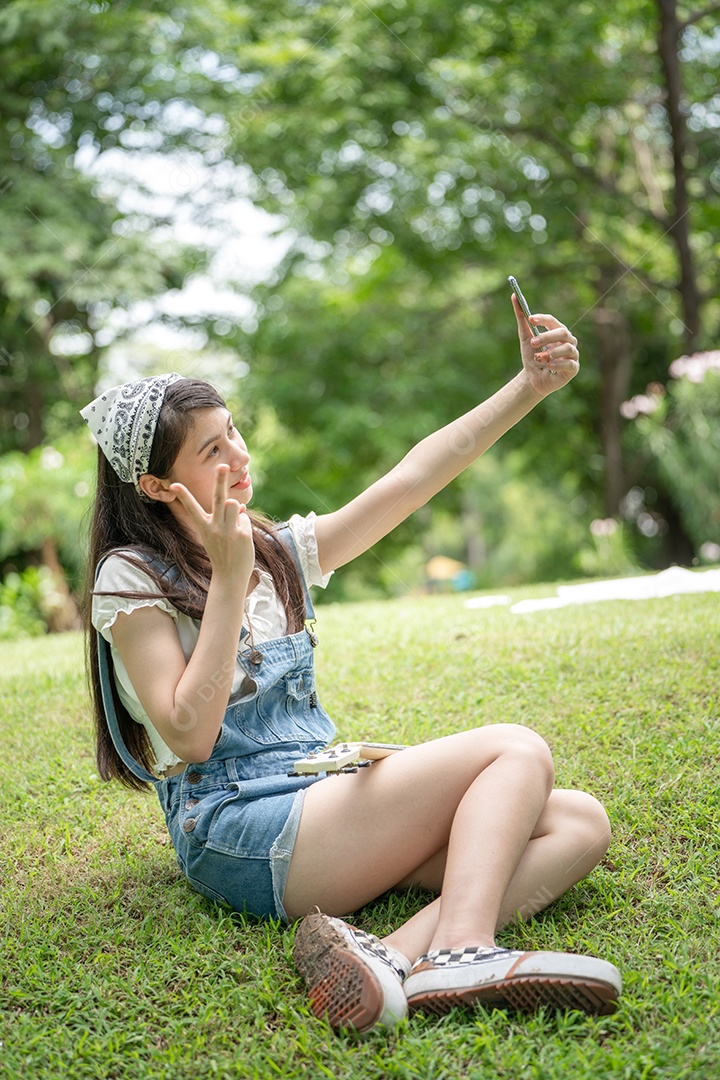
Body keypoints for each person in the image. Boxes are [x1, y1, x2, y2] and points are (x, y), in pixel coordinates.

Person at [81, 294, 622, 1034]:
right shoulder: (132, 576)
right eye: (212, 451)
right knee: (516, 748)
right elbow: (190, 736)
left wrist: (526, 386)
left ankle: (392, 957)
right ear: (154, 485)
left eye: (232, 432)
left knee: (577, 823)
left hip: (320, 795)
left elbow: (409, 479)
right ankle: (465, 949)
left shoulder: (275, 552)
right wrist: (231, 581)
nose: (239, 458)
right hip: (238, 827)